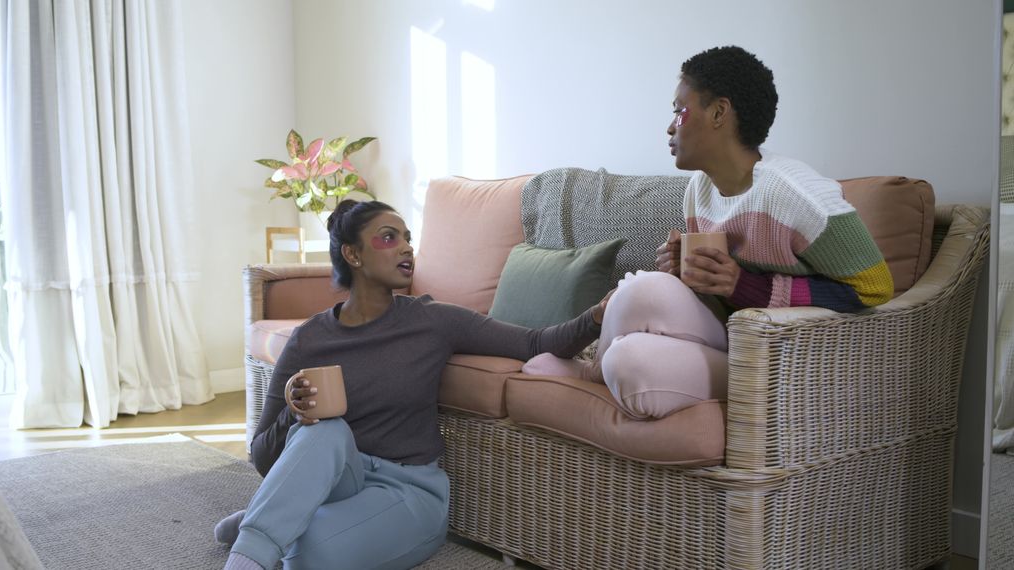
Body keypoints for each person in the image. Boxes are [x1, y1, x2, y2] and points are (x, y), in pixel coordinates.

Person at [217, 199, 608, 570]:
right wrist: (293, 412)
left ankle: (273, 517)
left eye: (407, 238)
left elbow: (534, 343)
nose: (405, 248)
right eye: (389, 237)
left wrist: (596, 316)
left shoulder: (433, 320)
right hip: (342, 475)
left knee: (305, 556)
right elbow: (263, 455)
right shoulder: (310, 339)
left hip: (408, 491)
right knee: (324, 432)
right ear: (353, 255)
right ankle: (262, 535)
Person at [524, 45, 894, 420]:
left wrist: (745, 285)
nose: (670, 127)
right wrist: (686, 275)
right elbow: (717, 302)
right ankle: (595, 371)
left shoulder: (798, 197)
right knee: (640, 287)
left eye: (678, 111)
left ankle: (603, 371)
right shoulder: (699, 191)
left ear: (719, 113)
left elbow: (875, 287)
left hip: (784, 360)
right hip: (730, 338)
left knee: (628, 359)